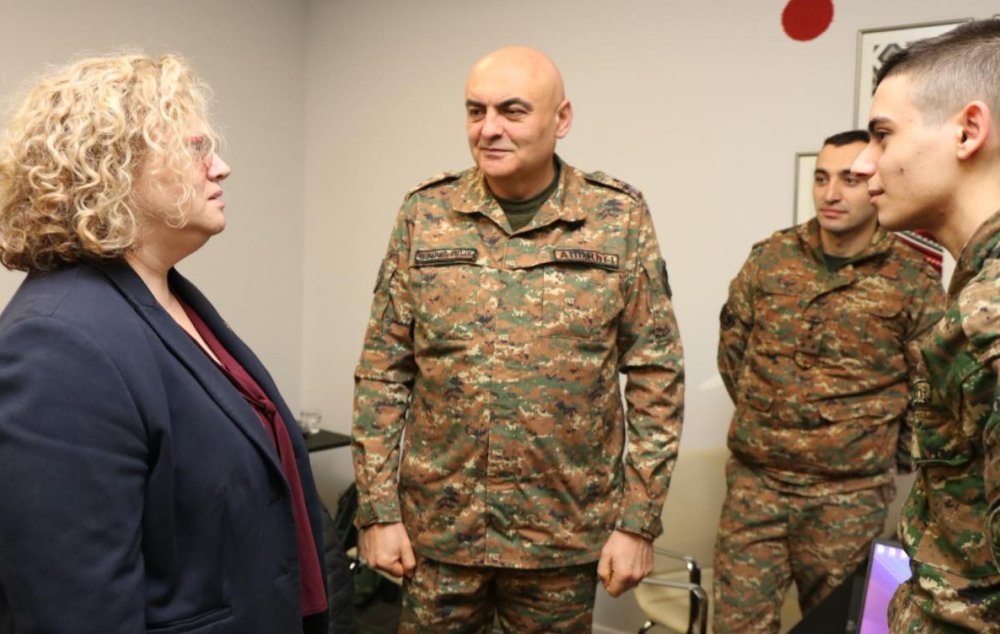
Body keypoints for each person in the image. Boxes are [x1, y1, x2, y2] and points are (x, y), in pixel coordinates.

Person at [0, 53, 345, 633]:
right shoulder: (56, 343)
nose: (222, 168)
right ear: (114, 167)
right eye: (197, 148)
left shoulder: (167, 298)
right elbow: (76, 610)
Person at [351, 46, 684, 632]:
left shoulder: (617, 217)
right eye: (475, 111)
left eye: (512, 110)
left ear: (562, 119)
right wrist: (378, 512)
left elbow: (657, 376)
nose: (489, 128)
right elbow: (383, 372)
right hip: (440, 533)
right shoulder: (426, 212)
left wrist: (637, 522)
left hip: (559, 536)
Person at [714, 130, 945, 633]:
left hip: (849, 498)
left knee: (839, 624)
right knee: (736, 624)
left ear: (876, 185)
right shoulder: (771, 258)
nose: (831, 193)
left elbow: (929, 390)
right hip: (758, 487)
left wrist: (878, 454)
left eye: (849, 180)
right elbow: (733, 353)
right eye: (821, 179)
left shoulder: (911, 279)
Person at [850, 19, 1000, 631]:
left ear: (967, 131)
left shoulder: (990, 318)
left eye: (882, 135)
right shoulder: (975, 292)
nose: (864, 164)